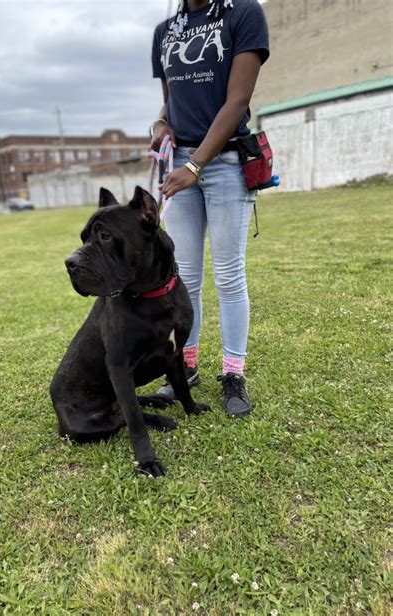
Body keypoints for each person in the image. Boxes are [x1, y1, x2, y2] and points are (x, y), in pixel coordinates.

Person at [150, 0, 269, 417]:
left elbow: (236, 102)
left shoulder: (243, 14)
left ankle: (233, 373)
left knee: (229, 274)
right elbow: (172, 103)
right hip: (180, 163)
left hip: (224, 164)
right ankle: (186, 366)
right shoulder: (165, 31)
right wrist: (160, 126)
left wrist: (195, 165)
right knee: (184, 277)